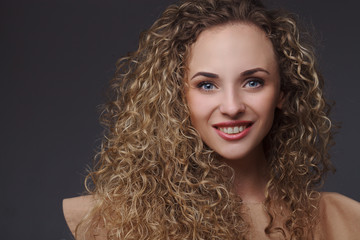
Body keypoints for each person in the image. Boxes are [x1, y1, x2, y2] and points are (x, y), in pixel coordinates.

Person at [63, 0, 360, 239]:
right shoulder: (113, 222)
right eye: (207, 85)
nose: (231, 107)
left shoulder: (344, 221)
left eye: (253, 82)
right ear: (178, 96)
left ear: (282, 92)